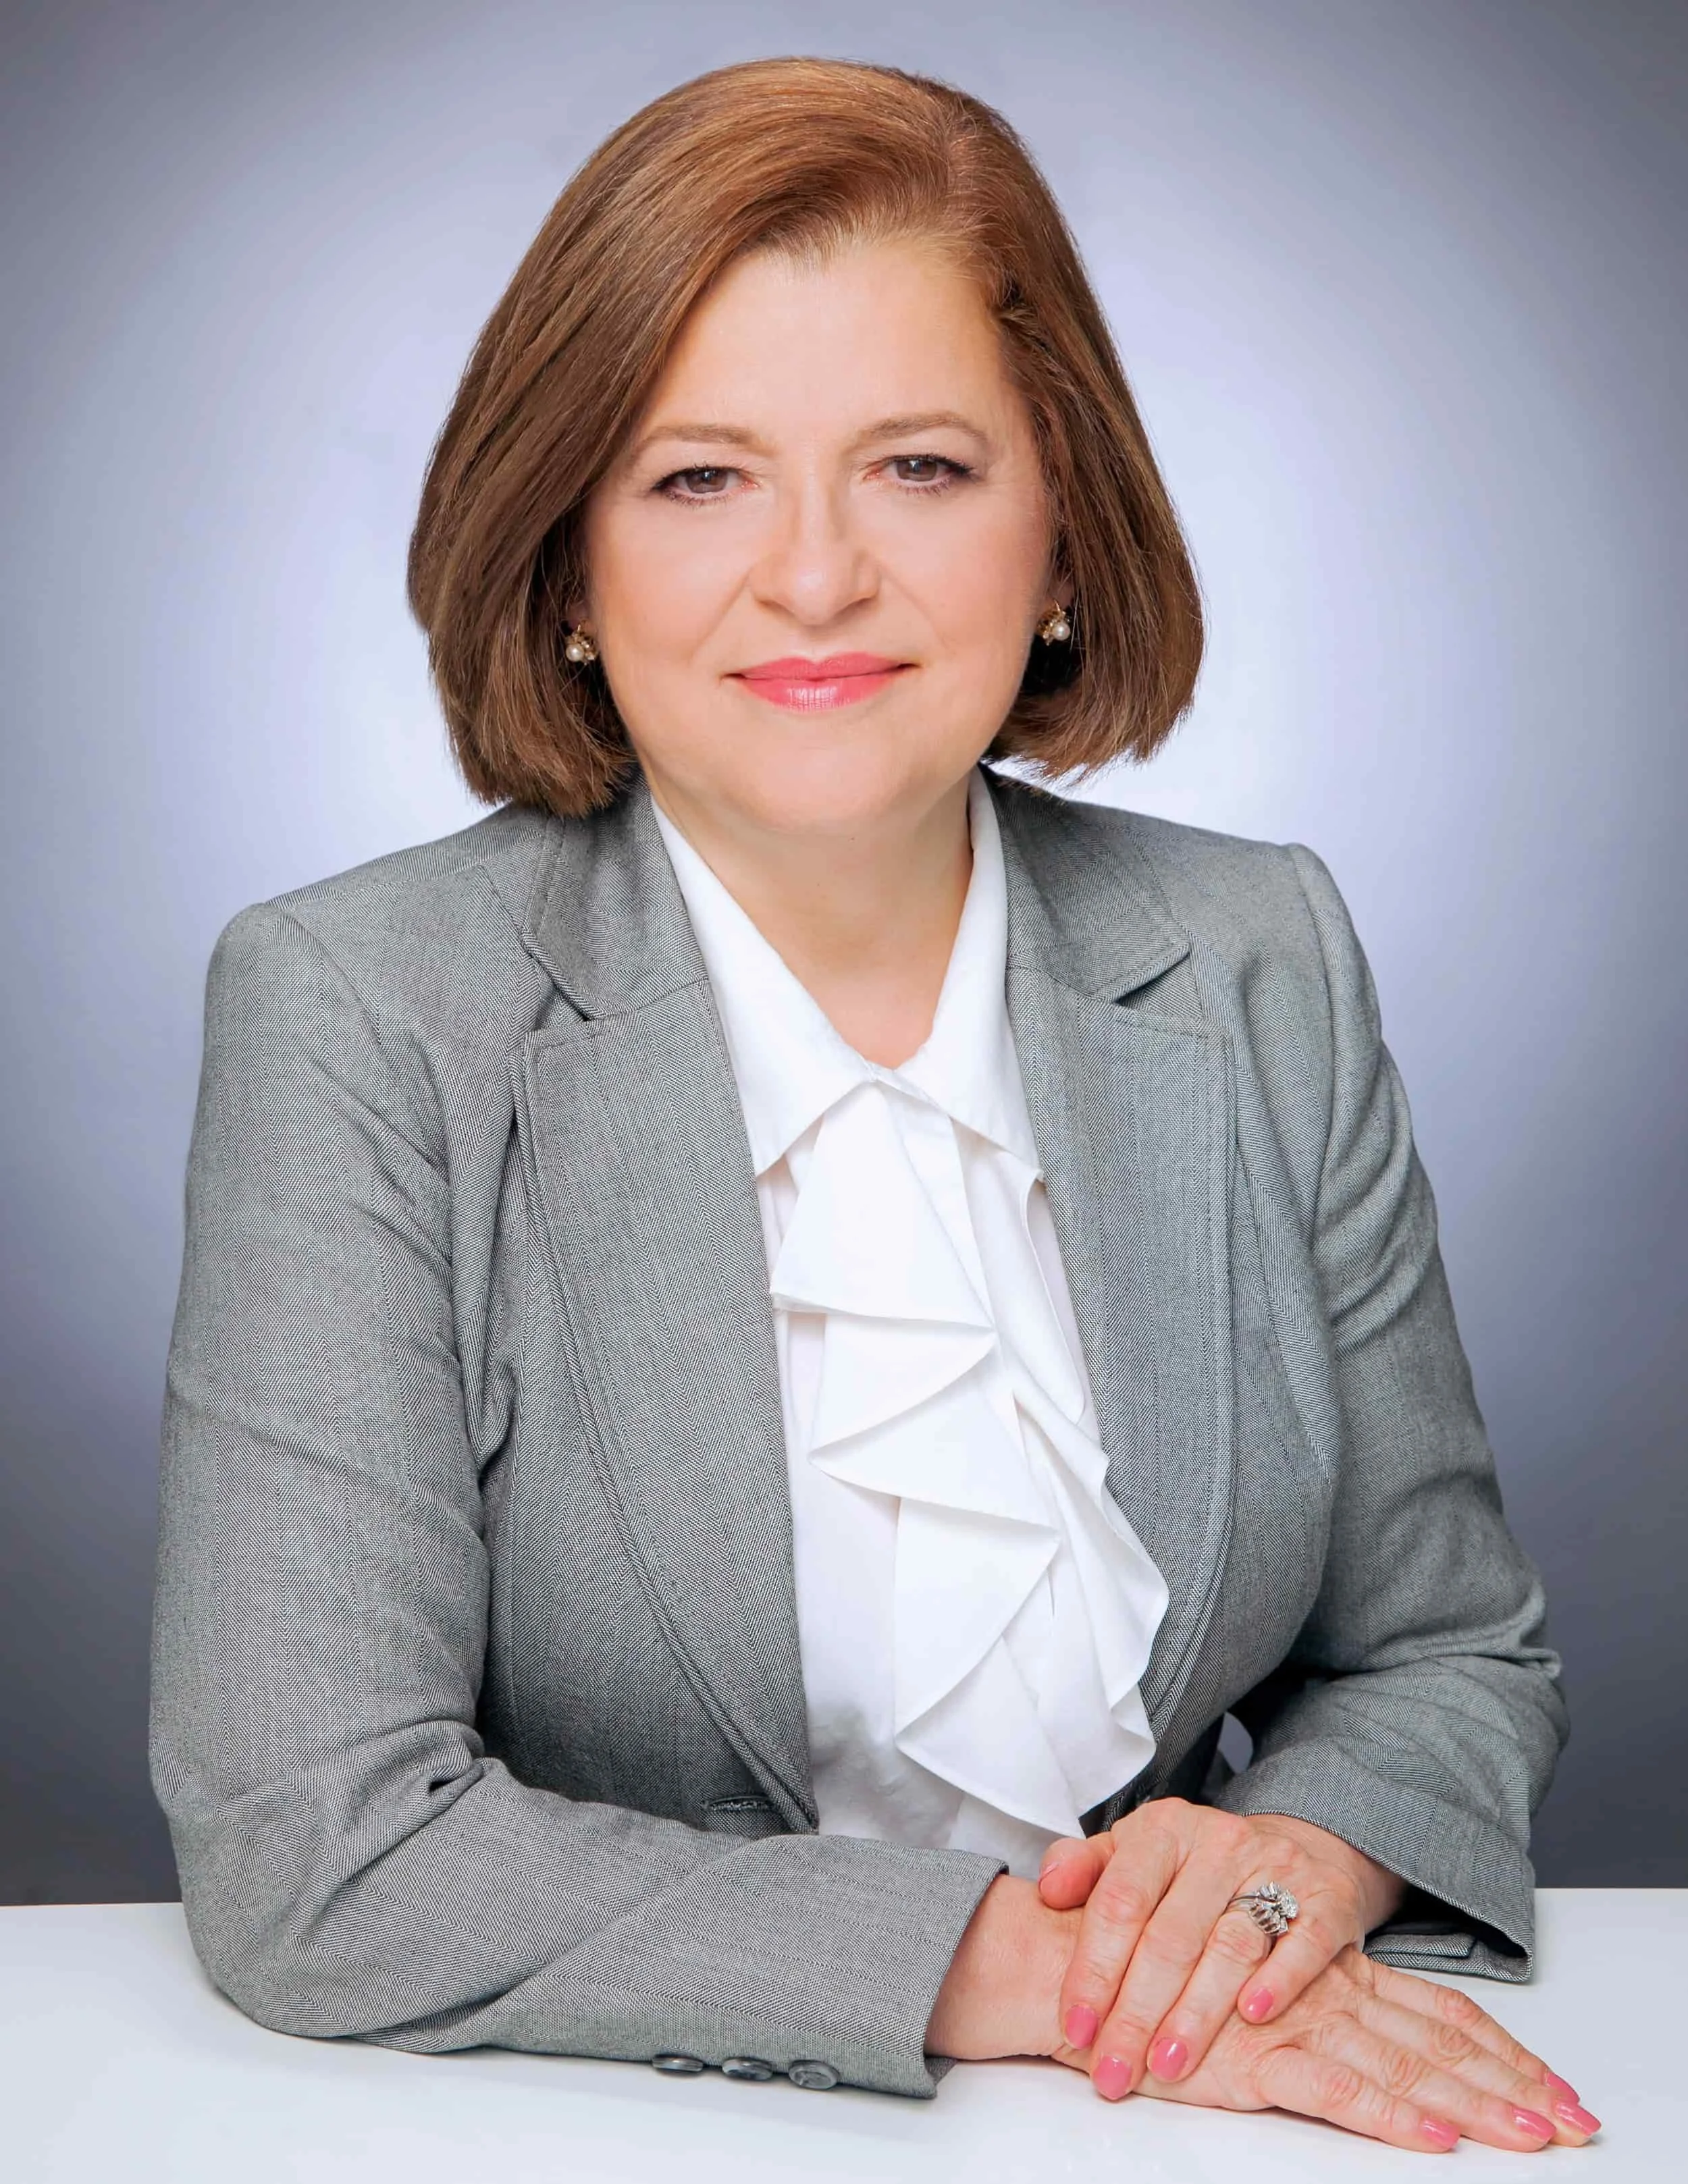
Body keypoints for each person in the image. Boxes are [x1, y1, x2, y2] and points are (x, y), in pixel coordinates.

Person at [149, 57, 1594, 2155]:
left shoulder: (1253, 950)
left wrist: (1287, 1870)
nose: (814, 579)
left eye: (918, 467)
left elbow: (1447, 1661)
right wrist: (1029, 1969)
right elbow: (317, 1841)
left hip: (1191, 2130)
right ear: (562, 566)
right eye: (695, 478)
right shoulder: (365, 1009)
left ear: (1064, 536)